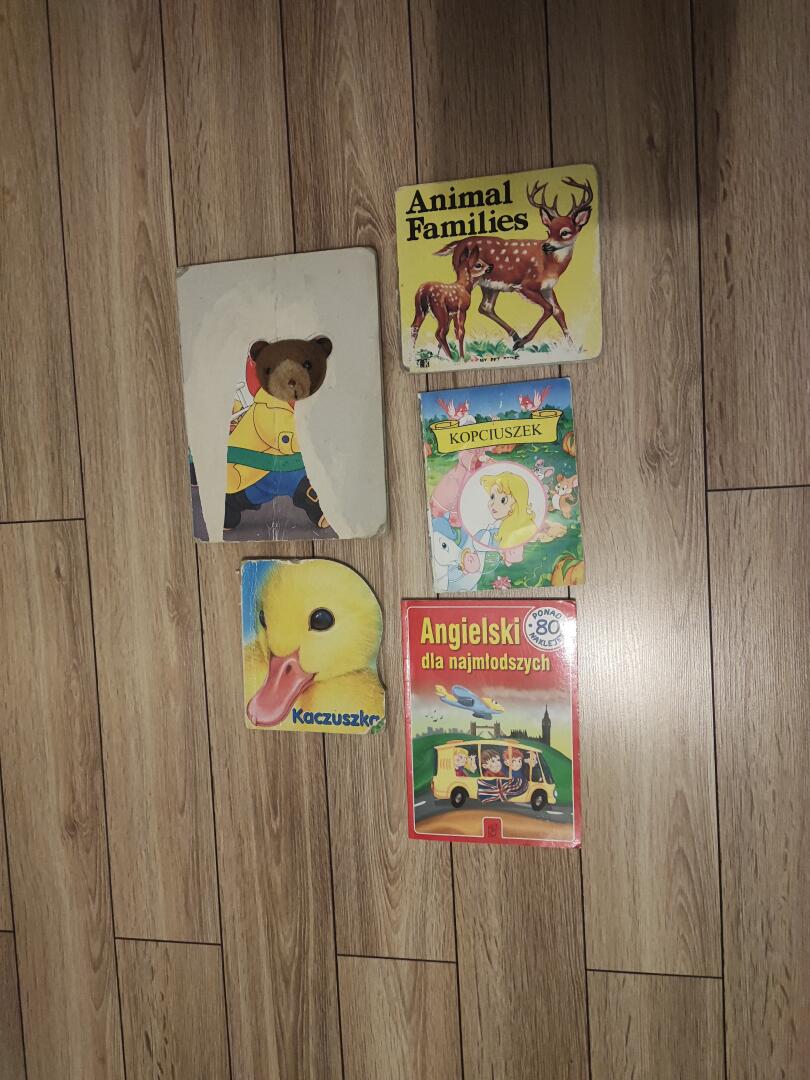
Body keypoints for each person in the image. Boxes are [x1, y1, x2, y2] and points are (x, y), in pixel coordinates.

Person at [478, 472, 538, 564]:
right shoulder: (498, 526)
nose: (493, 504)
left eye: (503, 500)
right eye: (492, 497)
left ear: (517, 504)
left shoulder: (521, 529)